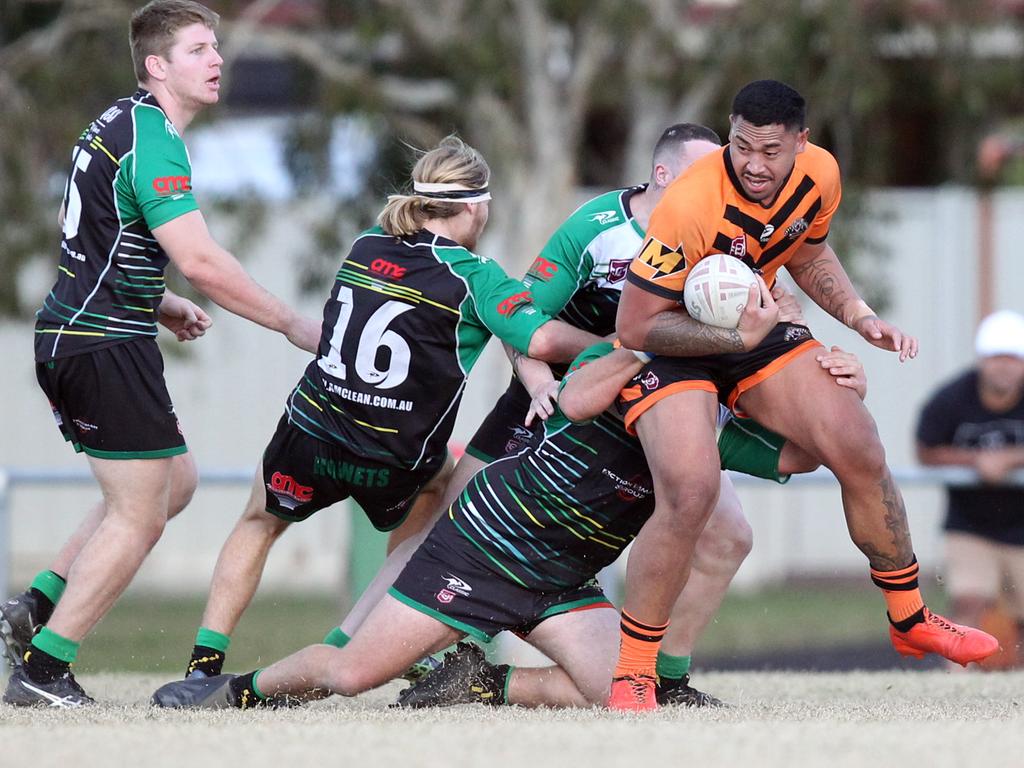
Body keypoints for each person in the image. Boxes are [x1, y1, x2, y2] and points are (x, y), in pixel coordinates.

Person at [312, 123, 784, 707]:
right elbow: (522, 318)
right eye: (705, 171)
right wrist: (539, 382)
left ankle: (664, 676)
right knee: (448, 526)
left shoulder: (726, 238)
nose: (720, 185)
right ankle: (348, 644)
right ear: (663, 174)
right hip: (553, 407)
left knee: (729, 537)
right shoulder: (599, 229)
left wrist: (816, 354)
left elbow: (753, 333)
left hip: (653, 412)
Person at [149, 337, 864, 711]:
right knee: (349, 673)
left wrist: (837, 391)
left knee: (617, 691)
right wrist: (640, 347)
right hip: (482, 549)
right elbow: (577, 398)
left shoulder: (712, 422)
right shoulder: (619, 363)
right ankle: (238, 690)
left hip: (561, 578)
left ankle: (484, 684)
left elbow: (807, 451)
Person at [612, 78, 998, 709]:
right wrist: (734, 335)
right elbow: (634, 326)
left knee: (856, 441)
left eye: (770, 151)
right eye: (741, 148)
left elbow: (808, 253)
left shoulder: (821, 175)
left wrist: (857, 313)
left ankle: (909, 617)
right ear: (729, 135)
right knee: (691, 493)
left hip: (756, 324)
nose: (754, 164)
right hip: (674, 342)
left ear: (801, 143)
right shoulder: (689, 205)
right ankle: (633, 673)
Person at [174, 133, 596, 683]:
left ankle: (203, 665)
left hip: (312, 429)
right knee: (443, 494)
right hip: (392, 457)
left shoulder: (366, 245)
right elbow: (536, 339)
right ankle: (350, 643)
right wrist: (614, 343)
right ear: (473, 206)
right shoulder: (475, 276)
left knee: (258, 521)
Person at [0, 0, 322, 708]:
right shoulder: (151, 137)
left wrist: (157, 299)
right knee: (140, 514)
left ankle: (36, 606)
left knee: (173, 482)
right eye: (199, 49)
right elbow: (203, 261)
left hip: (85, 331)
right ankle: (43, 671)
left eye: (216, 47)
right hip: (102, 343)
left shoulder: (121, 123)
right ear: (157, 66)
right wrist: (292, 324)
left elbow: (98, 240)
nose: (217, 60)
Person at [916, 310, 1024, 663]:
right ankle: (956, 683)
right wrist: (974, 462)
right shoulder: (952, 398)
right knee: (968, 601)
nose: (1004, 367)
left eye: (1013, 358)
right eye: (996, 358)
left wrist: (1009, 458)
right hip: (970, 524)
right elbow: (925, 449)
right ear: (982, 361)